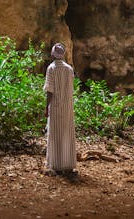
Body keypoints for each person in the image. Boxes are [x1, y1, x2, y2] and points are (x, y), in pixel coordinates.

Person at [44, 42, 76, 174]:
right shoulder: (69, 69)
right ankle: (68, 164)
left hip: (56, 106)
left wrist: (47, 107)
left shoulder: (51, 68)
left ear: (53, 54)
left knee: (55, 134)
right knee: (67, 134)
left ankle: (55, 165)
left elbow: (49, 91)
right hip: (67, 106)